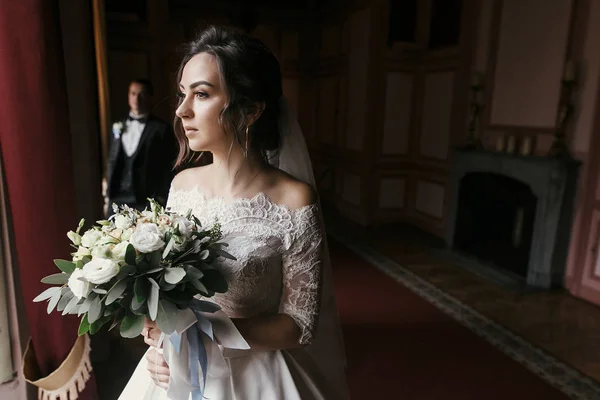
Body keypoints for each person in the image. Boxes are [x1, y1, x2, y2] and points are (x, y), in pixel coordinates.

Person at [118, 26, 348, 399]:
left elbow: (299, 324)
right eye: (182, 94)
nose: (181, 110)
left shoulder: (294, 201)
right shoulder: (183, 186)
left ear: (251, 109)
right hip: (176, 373)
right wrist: (159, 338)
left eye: (202, 94)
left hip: (254, 376)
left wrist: (205, 336)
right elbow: (168, 290)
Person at [104, 78, 177, 217]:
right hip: (117, 197)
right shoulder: (118, 125)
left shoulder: (161, 129)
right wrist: (107, 194)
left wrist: (160, 197)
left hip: (145, 199)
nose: (136, 99)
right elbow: (112, 158)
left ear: (150, 97)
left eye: (142, 94)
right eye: (133, 93)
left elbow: (169, 165)